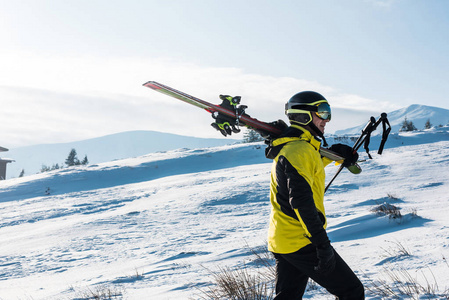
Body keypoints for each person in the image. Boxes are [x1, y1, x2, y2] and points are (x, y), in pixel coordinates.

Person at [265, 91, 365, 299]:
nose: (326, 120)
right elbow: (301, 202)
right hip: (301, 240)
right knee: (352, 292)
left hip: (283, 240)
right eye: (322, 112)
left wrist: (336, 153)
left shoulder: (299, 148)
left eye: (328, 113)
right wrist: (322, 244)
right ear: (304, 116)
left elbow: (310, 166)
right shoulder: (298, 150)